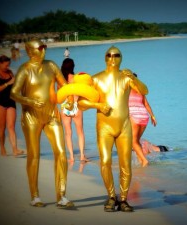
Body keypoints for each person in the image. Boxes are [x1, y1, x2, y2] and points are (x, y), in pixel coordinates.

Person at [77, 46, 148, 212]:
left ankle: (123, 200)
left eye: (116, 55)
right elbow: (80, 103)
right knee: (106, 162)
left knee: (126, 164)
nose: (112, 58)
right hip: (104, 127)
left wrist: (134, 79)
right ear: (104, 58)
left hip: (124, 127)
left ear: (121, 58)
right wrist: (98, 105)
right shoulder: (96, 79)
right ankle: (111, 197)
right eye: (109, 55)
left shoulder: (126, 77)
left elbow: (145, 91)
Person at [10, 39, 74, 208]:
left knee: (61, 153)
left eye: (44, 47)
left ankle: (61, 196)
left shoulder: (51, 65)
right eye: (40, 48)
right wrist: (29, 101)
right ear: (30, 51)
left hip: (52, 115)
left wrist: (68, 99)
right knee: (34, 155)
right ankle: (35, 196)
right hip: (31, 117)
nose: (43, 51)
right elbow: (14, 94)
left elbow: (64, 86)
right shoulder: (24, 69)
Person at [0, 55, 24, 156]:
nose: (7, 67)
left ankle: (15, 149)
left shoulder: (9, 73)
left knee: (11, 126)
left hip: (10, 101)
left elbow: (14, 86)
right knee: (2, 126)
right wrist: (8, 83)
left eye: (8, 65)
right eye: (5, 65)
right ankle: (2, 148)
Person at [60, 58, 89, 163]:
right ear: (73, 67)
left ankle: (71, 157)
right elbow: (82, 92)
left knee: (68, 133)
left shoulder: (60, 80)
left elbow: (59, 95)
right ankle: (82, 156)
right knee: (80, 132)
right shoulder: (76, 78)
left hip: (65, 107)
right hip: (76, 106)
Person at [129, 73, 157, 167]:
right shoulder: (141, 91)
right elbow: (146, 104)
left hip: (134, 117)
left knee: (133, 141)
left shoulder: (126, 91)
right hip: (145, 117)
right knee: (136, 141)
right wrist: (153, 116)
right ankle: (141, 161)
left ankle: (144, 160)